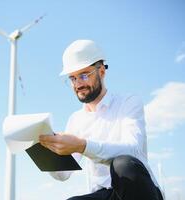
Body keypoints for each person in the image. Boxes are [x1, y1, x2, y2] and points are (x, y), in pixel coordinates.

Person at [39, 39, 164, 200]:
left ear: (102, 72)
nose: (78, 84)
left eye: (84, 75)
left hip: (138, 190)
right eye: (73, 78)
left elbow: (133, 150)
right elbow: (63, 174)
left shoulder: (128, 102)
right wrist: (44, 150)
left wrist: (82, 145)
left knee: (122, 164)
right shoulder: (76, 119)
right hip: (104, 194)